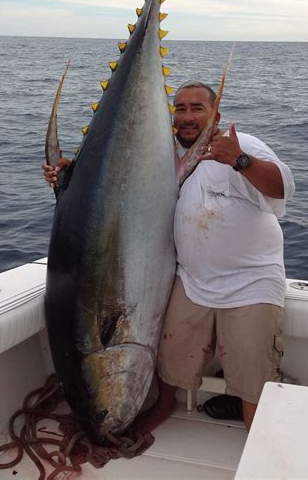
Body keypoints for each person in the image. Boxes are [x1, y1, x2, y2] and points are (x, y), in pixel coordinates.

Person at [43, 81, 294, 433]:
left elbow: (285, 187)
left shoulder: (241, 145)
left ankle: (257, 438)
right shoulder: (171, 162)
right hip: (193, 283)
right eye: (180, 109)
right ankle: (164, 407)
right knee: (172, 359)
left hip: (251, 284)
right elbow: (124, 191)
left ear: (215, 115)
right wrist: (73, 176)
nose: (188, 117)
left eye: (197, 108)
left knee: (253, 376)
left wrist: (239, 160)